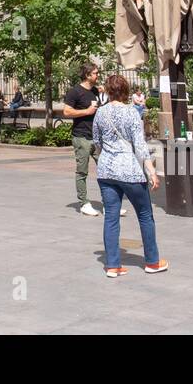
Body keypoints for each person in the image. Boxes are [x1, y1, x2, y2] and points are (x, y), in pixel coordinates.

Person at [94, 74, 166, 277]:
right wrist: (152, 172)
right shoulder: (132, 112)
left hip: (106, 170)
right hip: (130, 170)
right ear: (126, 91)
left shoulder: (100, 113)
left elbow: (97, 141)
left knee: (111, 217)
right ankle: (152, 261)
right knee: (144, 215)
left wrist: (107, 157)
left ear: (108, 91)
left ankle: (112, 265)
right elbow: (140, 145)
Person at [66, 63, 110, 216]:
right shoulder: (74, 92)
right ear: (87, 75)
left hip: (96, 137)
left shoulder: (94, 91)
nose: (98, 75)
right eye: (95, 73)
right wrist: (86, 111)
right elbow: (66, 111)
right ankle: (84, 203)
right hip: (81, 137)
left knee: (105, 169)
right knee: (82, 171)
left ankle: (108, 204)